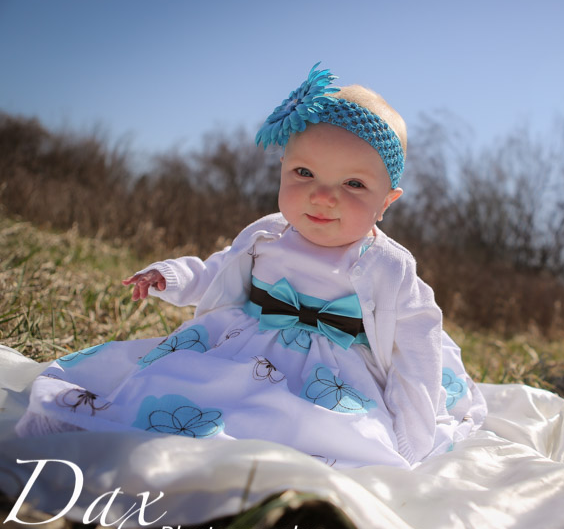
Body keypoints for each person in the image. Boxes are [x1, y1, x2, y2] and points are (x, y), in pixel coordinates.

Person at [15, 63, 486, 468]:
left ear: (386, 202)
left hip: (334, 375)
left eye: (353, 184)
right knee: (181, 393)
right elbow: (220, 270)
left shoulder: (388, 267)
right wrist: (175, 276)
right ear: (282, 169)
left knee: (333, 434)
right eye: (304, 174)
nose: (323, 196)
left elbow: (416, 353)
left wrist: (414, 434)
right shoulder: (269, 233)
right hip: (241, 348)